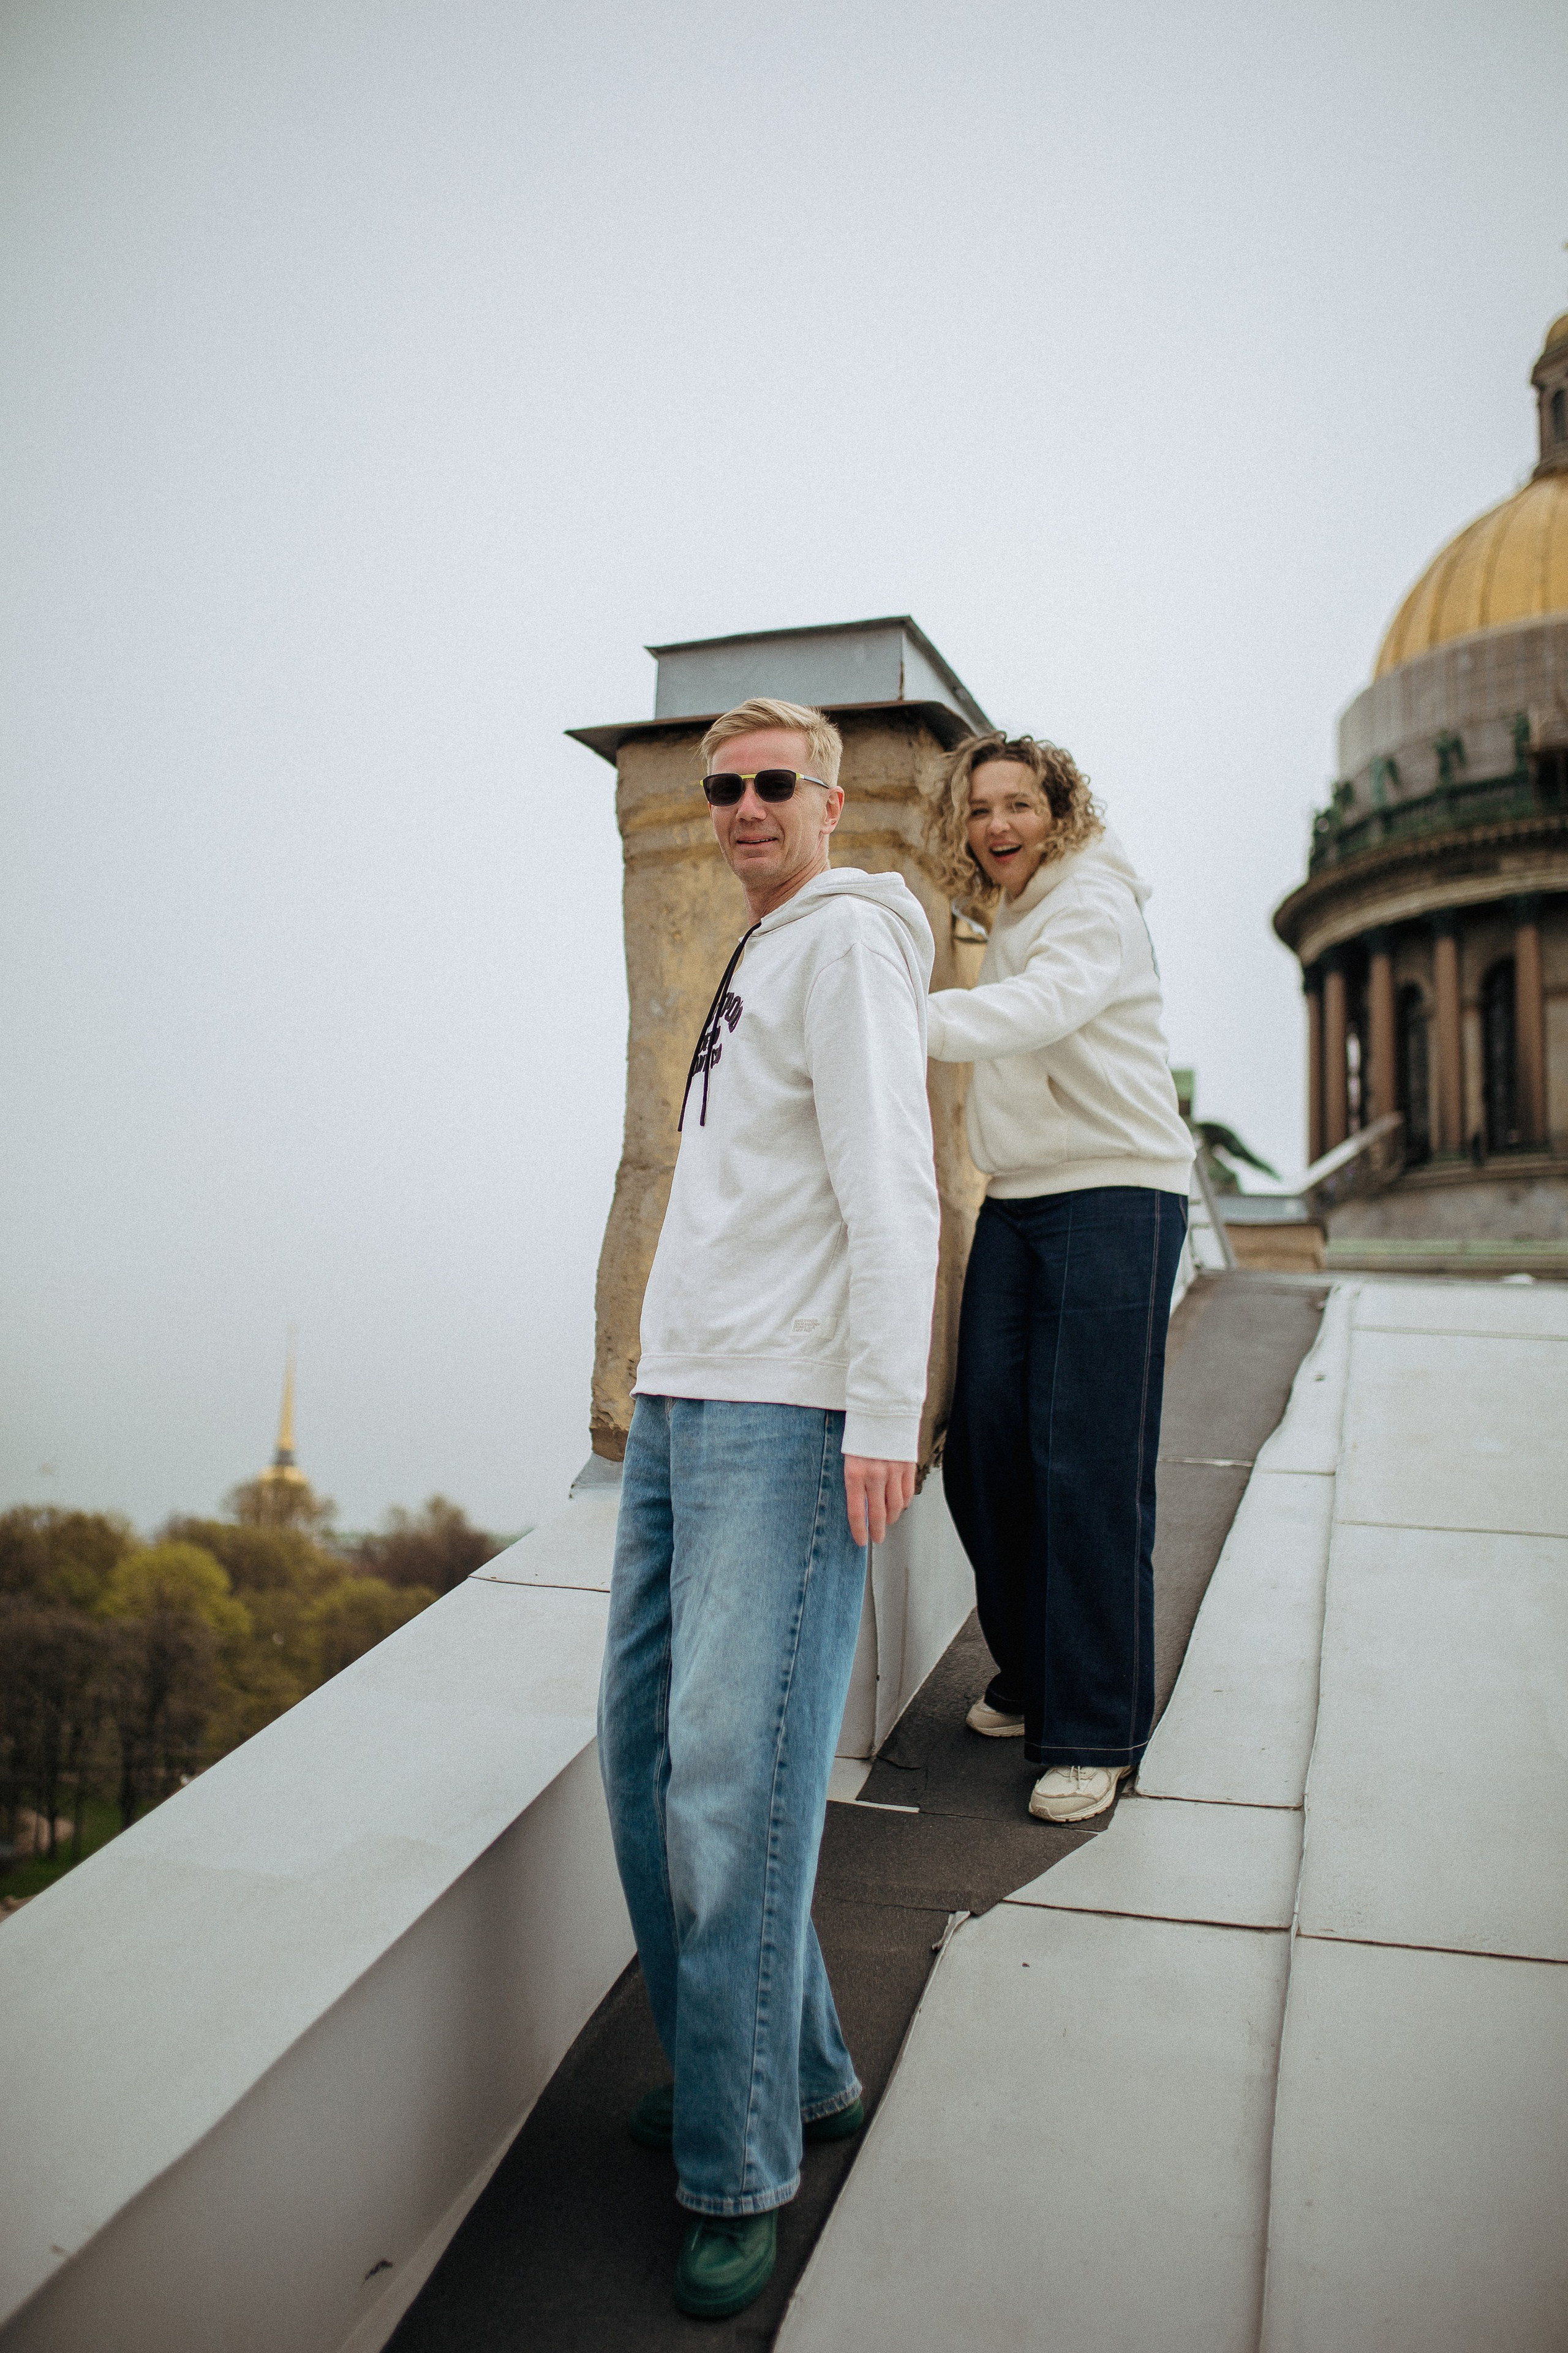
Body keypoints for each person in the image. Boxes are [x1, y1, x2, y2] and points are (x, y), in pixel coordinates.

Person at [598, 695, 941, 2319]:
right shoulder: (763, 946)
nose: (742, 806)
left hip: (785, 1417)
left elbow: (896, 1183)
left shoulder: (851, 941)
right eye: (722, 786)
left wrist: (884, 1407)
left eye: (773, 784)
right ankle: (789, 2067)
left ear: (835, 796)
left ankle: (741, 2166)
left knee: (733, 1795)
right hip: (680, 1403)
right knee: (645, 1764)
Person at [922, 732, 1193, 1826]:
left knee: (1086, 1465)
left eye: (1020, 804)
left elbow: (1039, 1011)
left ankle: (1095, 1729)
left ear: (1060, 810)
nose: (999, 825)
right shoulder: (1015, 909)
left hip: (1119, 1195)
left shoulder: (1093, 901)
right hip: (1024, 1199)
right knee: (984, 1447)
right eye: (982, 808)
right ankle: (1035, 1669)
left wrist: (896, 1016)